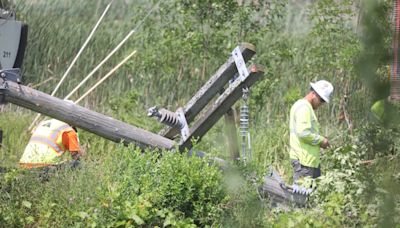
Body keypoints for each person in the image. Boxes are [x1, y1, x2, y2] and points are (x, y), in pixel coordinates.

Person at [289, 80, 333, 183]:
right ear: (313, 94)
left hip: (309, 161)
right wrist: (322, 141)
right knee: (302, 196)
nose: (321, 104)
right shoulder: (304, 107)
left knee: (312, 196)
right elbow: (303, 133)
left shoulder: (304, 106)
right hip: (304, 161)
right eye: (321, 100)